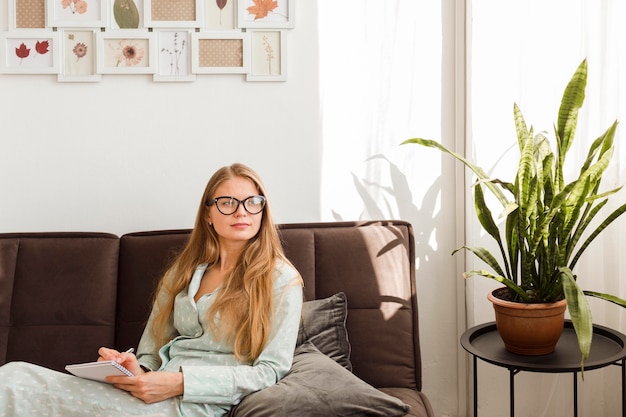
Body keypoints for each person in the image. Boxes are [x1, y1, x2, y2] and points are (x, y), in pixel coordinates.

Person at [0, 163, 304, 417]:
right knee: (13, 374)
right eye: (227, 202)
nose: (242, 212)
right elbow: (151, 351)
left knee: (13, 389)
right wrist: (136, 369)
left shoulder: (281, 280)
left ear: (263, 210)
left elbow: (270, 371)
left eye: (253, 202)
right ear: (208, 214)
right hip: (151, 392)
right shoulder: (184, 272)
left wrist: (181, 383)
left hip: (198, 403)